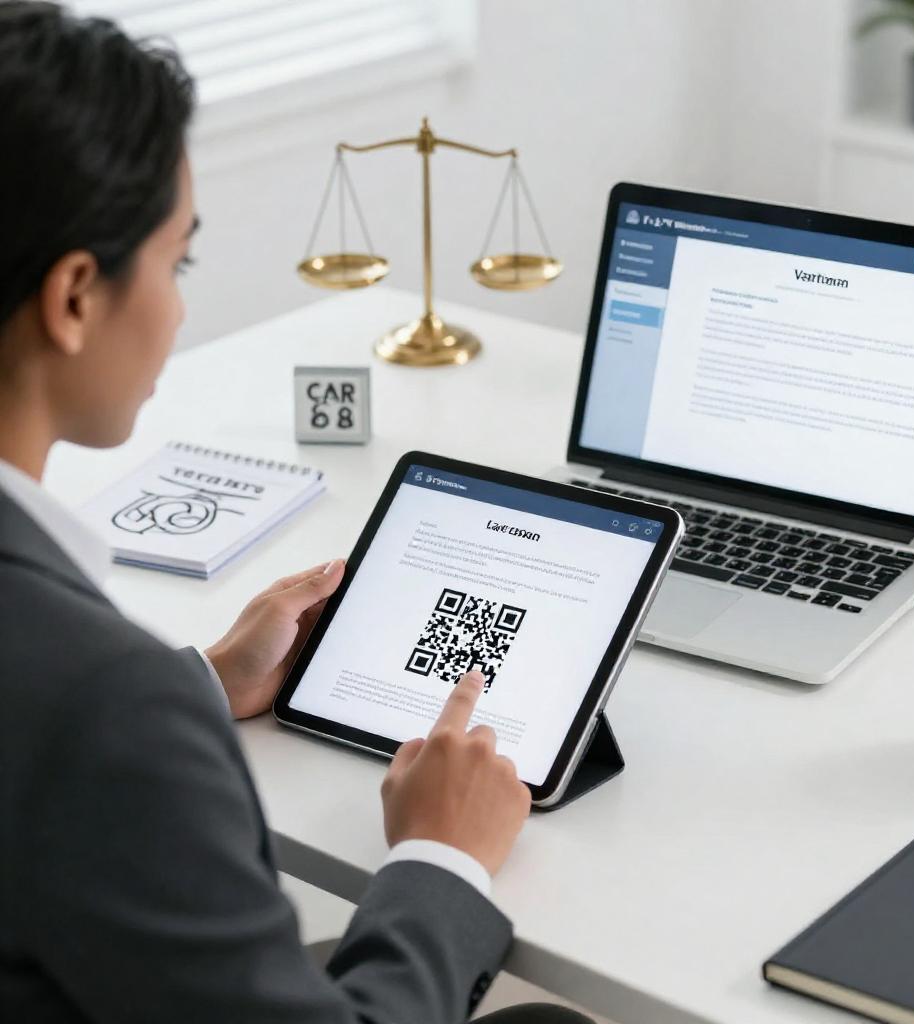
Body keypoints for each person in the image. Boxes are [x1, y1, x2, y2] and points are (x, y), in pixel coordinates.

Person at [0, 5, 593, 1022]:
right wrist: (440, 855)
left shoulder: (101, 691)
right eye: (177, 262)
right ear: (74, 298)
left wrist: (200, 683)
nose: (181, 308)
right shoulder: (107, 707)